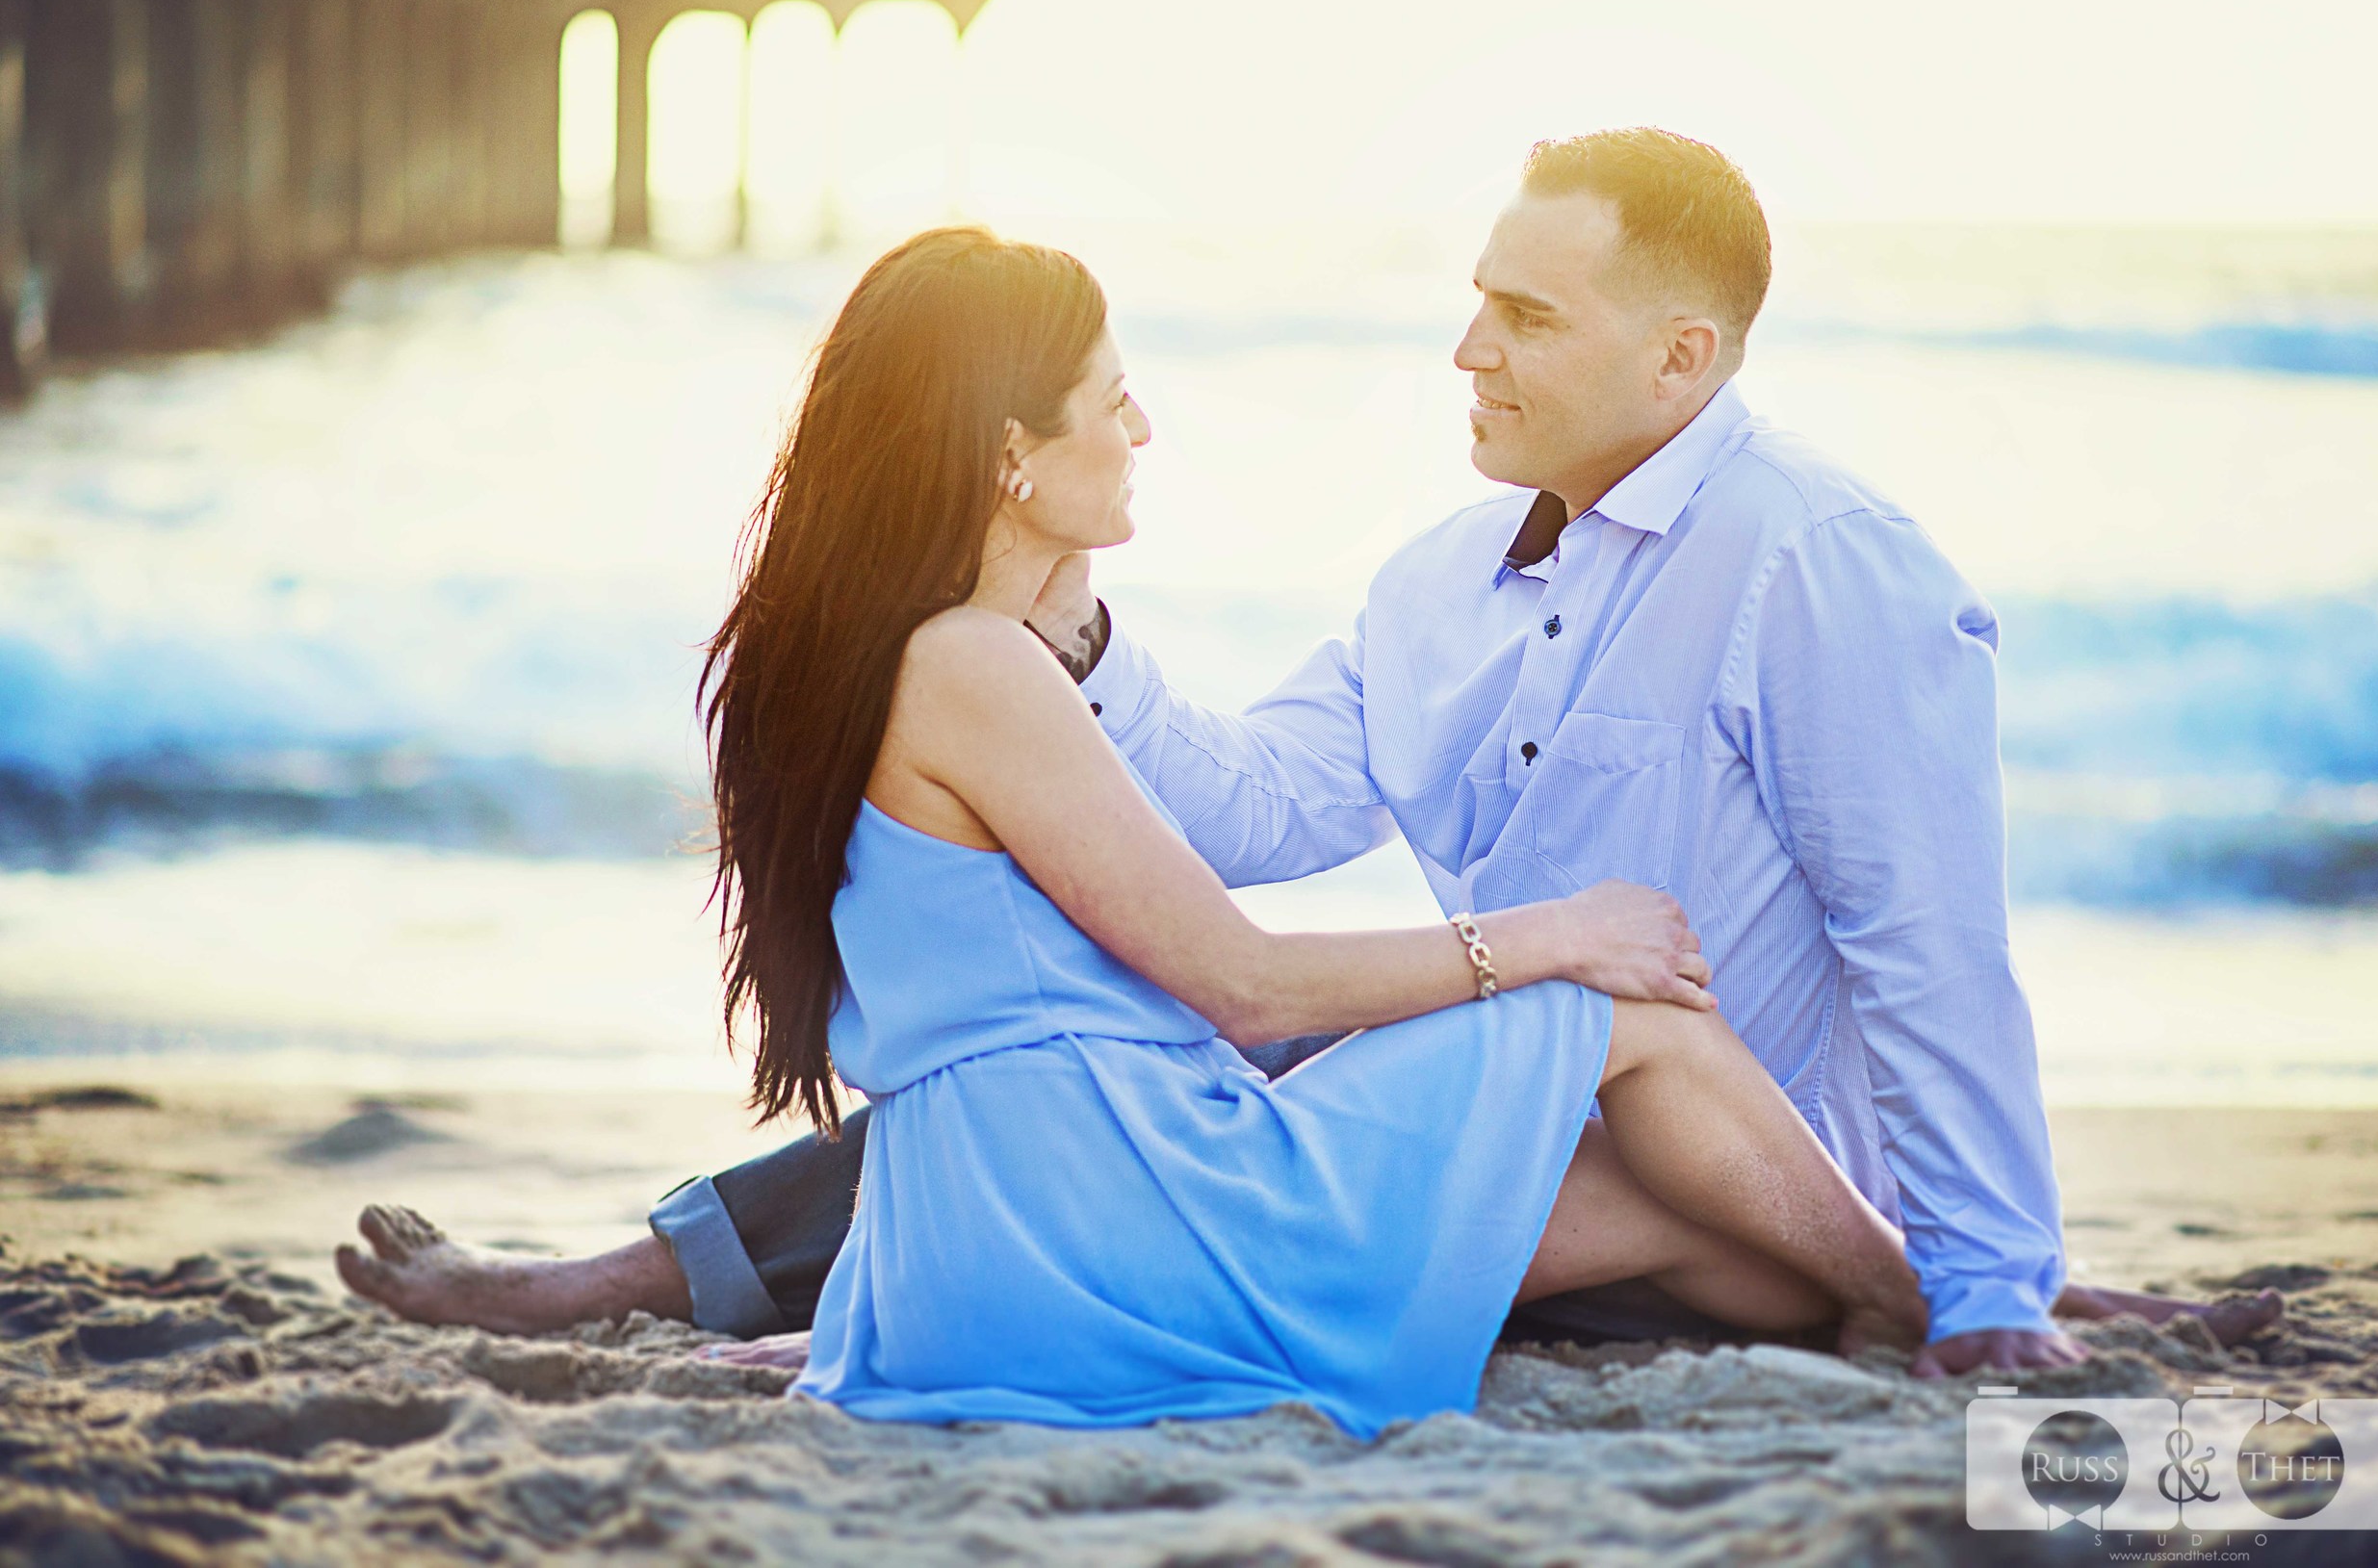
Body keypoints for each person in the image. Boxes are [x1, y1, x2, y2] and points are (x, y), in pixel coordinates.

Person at [338, 130, 2280, 1384]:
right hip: (1522, 1112)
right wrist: (1063, 632)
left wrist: (1998, 1270)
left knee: (1104, 1060)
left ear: (1677, 364)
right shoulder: (1429, 585)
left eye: (1522, 315)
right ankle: (659, 1279)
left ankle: (680, 1293)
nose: (1464, 350)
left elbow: (1926, 950)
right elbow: (1252, 817)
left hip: (1733, 1160)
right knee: (1111, 1049)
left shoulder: (1825, 570)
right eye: (1473, 300)